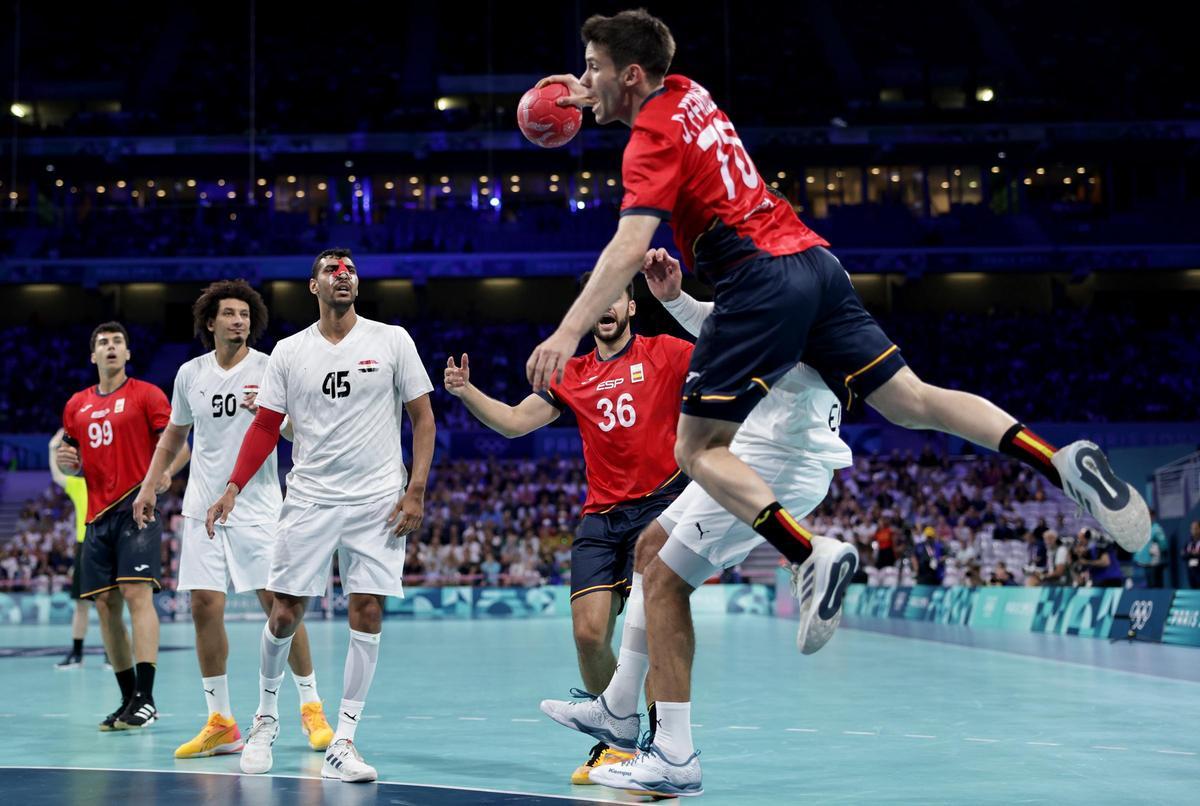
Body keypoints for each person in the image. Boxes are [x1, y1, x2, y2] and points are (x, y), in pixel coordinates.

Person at [524, 11, 1147, 792]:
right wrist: (593, 90)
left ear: (633, 75)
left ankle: (807, 553)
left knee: (694, 450)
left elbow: (624, 245)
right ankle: (1058, 460)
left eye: (593, 65)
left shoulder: (651, 129)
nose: (585, 77)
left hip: (755, 277)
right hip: (815, 262)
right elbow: (640, 78)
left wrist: (566, 330)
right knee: (914, 399)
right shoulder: (689, 93)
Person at [539, 248, 857, 798]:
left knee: (664, 580)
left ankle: (673, 755)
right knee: (653, 547)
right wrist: (674, 298)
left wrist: (669, 298)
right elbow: (720, 323)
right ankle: (618, 709)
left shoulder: (787, 300)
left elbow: (720, 328)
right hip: (759, 453)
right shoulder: (803, 298)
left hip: (775, 459)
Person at [444, 272, 694, 784]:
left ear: (629, 307)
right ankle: (615, 738)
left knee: (647, 628)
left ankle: (658, 745)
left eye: (613, 298)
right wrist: (468, 392)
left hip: (660, 505)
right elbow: (514, 421)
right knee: (587, 633)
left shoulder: (665, 352)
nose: (604, 306)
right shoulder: (572, 373)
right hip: (601, 516)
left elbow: (722, 357)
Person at [206, 248, 435, 783]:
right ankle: (265, 718)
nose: (343, 275)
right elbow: (266, 426)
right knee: (284, 614)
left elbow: (422, 419)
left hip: (378, 500)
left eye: (350, 269)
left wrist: (416, 489)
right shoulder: (289, 351)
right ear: (314, 286)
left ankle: (346, 740)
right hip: (309, 499)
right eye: (332, 270)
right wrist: (234, 485)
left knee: (369, 612)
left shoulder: (392, 339)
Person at [131, 279, 334, 760]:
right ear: (210, 321)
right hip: (202, 505)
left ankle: (311, 706)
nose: (238, 320)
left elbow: (300, 430)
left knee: (280, 606)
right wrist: (149, 482)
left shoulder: (271, 368)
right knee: (204, 604)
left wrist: (274, 420)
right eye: (229, 313)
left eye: (245, 314)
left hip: (258, 505)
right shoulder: (189, 375)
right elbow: (175, 436)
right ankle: (220, 721)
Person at [57, 321, 189, 730]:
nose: (111, 348)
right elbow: (71, 453)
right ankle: (128, 697)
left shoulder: (147, 395)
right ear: (93, 355)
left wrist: (164, 473)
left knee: (135, 594)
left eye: (118, 342)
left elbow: (180, 445)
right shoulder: (76, 405)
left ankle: (146, 697)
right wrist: (68, 463)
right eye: (103, 343)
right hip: (96, 517)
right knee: (104, 605)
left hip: (137, 507)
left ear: (127, 354)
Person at [49, 429, 100, 669]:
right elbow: (58, 477)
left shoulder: (112, 482)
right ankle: (77, 654)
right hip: (84, 546)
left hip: (107, 542)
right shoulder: (79, 484)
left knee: (110, 602)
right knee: (81, 604)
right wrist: (52, 447)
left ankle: (113, 656)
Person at [1134, 510, 1169, 588]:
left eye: (1148, 515)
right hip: (1145, 562)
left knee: (1156, 585)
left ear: (1152, 516)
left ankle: (1160, 599)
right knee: (1149, 585)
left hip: (1155, 563)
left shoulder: (1156, 529)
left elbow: (1163, 545)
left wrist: (1161, 555)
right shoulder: (1143, 529)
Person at [1186, 521, 1200, 589]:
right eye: (1192, 528)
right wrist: (1192, 554)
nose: (1193, 530)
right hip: (1191, 570)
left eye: (1196, 528)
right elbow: (1183, 554)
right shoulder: (1189, 542)